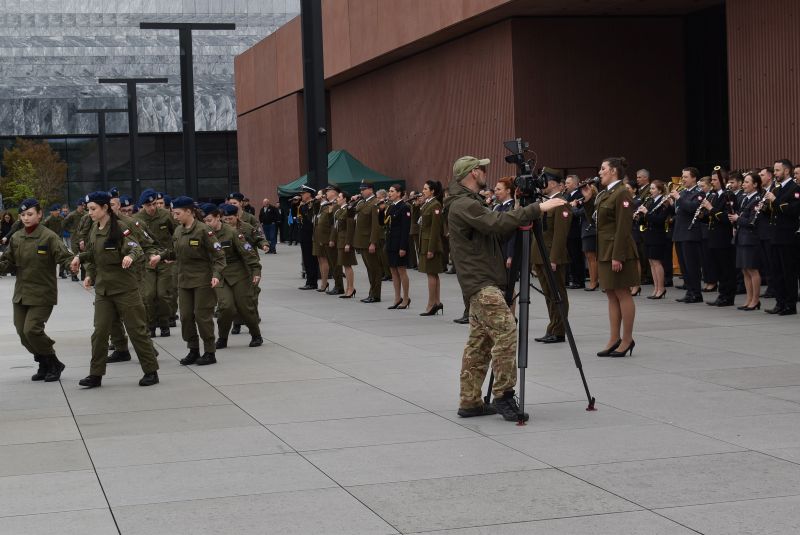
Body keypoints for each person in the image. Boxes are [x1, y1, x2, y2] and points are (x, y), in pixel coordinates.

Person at [447, 155, 566, 422]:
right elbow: (496, 224)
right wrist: (537, 208)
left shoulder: (467, 202)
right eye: (481, 169)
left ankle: (470, 401)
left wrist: (520, 212)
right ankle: (503, 395)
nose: (485, 173)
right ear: (472, 173)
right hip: (481, 280)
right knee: (507, 330)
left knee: (479, 342)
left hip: (480, 279)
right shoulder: (464, 204)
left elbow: (498, 231)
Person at [70, 191, 160, 388]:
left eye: (93, 209)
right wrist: (81, 261)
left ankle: (151, 371)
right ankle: (95, 374)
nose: (90, 213)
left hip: (125, 288)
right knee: (100, 332)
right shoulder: (95, 228)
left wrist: (130, 256)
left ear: (105, 208)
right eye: (88, 209)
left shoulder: (120, 227)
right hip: (104, 289)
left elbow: (136, 248)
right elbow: (93, 254)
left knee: (137, 330)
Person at [0, 198, 73, 382]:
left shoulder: (49, 237)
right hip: (22, 293)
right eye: (23, 215)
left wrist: (74, 265)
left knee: (32, 330)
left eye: (30, 214)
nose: (26, 218)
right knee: (22, 333)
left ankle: (53, 362)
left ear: (40, 214)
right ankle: (43, 363)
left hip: (42, 293)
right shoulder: (17, 237)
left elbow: (64, 256)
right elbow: (8, 262)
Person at [150, 196, 226, 365]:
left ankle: (209, 352)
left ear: (189, 211)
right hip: (184, 280)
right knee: (185, 317)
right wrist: (160, 256)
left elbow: (219, 256)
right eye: (173, 213)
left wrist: (216, 275)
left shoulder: (204, 230)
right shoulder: (178, 231)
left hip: (202, 280)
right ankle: (193, 349)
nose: (174, 216)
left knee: (202, 316)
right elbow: (174, 252)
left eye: (177, 213)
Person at [582, 157, 639, 357]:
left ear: (613, 171)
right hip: (605, 250)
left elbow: (624, 226)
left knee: (623, 293)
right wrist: (588, 201)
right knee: (611, 294)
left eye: (603, 168)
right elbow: (596, 222)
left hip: (617, 251)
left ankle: (627, 339)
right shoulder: (605, 193)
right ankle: (614, 338)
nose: (599, 172)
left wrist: (618, 256)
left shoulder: (622, 192)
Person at [201, 204, 263, 348]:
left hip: (238, 273)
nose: (207, 224)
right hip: (219, 275)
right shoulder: (204, 234)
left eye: (209, 220)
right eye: (205, 221)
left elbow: (247, 252)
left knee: (245, 306)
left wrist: (256, 270)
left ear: (218, 217)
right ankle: (222, 338)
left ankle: (256, 335)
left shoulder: (232, 232)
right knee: (226, 307)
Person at [532, 171, 571, 344]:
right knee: (549, 294)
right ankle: (553, 327)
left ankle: (559, 330)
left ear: (554, 183)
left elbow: (560, 235)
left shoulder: (561, 203)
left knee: (557, 294)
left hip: (551, 256)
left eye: (545, 181)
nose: (542, 184)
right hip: (541, 256)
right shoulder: (545, 202)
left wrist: (553, 258)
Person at [134, 188, 177, 336]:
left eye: (154, 204)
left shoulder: (165, 215)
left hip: (165, 260)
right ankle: (151, 324)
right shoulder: (136, 219)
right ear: (142, 206)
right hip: (147, 262)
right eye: (148, 205)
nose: (152, 208)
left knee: (163, 294)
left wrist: (172, 255)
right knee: (149, 295)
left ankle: (164, 323)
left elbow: (176, 235)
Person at [763, 159, 800, 315]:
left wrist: (774, 200)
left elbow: (793, 210)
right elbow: (773, 212)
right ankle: (780, 302)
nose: (775, 173)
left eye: (777, 170)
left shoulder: (795, 188)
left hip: (787, 237)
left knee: (788, 272)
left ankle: (790, 305)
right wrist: (764, 206)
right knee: (776, 272)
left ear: (786, 171)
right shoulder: (777, 189)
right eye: (775, 170)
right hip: (775, 235)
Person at [700, 168, 736, 306]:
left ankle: (728, 296)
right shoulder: (714, 195)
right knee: (719, 268)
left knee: (726, 268)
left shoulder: (728, 196)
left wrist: (710, 208)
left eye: (715, 180)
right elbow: (711, 216)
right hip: (714, 236)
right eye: (712, 180)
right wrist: (702, 215)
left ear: (723, 181)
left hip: (723, 237)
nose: (712, 182)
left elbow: (727, 217)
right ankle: (722, 294)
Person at [670, 167, 704, 303]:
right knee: (684, 266)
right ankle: (689, 291)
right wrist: (671, 203)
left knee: (692, 265)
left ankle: (696, 293)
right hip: (679, 232)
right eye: (682, 176)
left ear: (694, 178)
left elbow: (692, 208)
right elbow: (678, 211)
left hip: (690, 233)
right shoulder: (683, 192)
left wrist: (678, 198)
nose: (682, 179)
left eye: (685, 177)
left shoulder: (699, 193)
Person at [729, 171, 762, 310]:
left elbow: (752, 221)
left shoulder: (757, 199)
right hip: (741, 237)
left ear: (755, 184)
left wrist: (738, 219)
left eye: (747, 182)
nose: (744, 185)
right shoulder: (745, 198)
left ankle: (755, 300)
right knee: (745, 270)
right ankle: (749, 298)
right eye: (744, 182)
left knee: (752, 270)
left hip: (750, 238)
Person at [637, 181, 673, 299]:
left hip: (658, 235)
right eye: (651, 188)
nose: (650, 191)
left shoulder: (664, 202)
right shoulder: (650, 201)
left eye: (653, 189)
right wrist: (639, 217)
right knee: (651, 263)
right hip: (649, 234)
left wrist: (646, 213)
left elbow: (660, 219)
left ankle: (661, 288)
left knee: (657, 262)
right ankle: (656, 287)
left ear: (660, 190)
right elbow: (647, 219)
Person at [418, 180, 446, 316]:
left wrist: (431, 249)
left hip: (431, 245)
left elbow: (435, 229)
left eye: (425, 189)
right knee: (433, 273)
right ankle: (437, 302)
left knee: (431, 273)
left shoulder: (435, 205)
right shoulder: (427, 204)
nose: (423, 191)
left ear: (432, 191)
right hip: (425, 243)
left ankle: (431, 303)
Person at [383, 184, 412, 309]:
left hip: (399, 243)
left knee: (401, 271)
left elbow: (405, 229)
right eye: (389, 191)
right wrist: (381, 210)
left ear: (399, 193)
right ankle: (397, 297)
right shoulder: (390, 207)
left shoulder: (404, 207)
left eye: (392, 191)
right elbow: (383, 223)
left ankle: (406, 298)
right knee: (393, 271)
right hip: (391, 243)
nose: (389, 193)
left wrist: (403, 247)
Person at [353, 181, 382, 302]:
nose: (361, 191)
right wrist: (354, 200)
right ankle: (372, 293)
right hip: (362, 241)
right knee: (370, 269)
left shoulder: (375, 203)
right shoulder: (362, 202)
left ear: (370, 190)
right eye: (361, 189)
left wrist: (373, 242)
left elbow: (375, 226)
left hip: (369, 241)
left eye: (363, 189)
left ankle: (375, 295)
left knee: (374, 269)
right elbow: (351, 212)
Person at [314, 186, 344, 295]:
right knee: (332, 264)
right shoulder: (328, 204)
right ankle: (337, 285)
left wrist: (332, 238)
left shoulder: (336, 205)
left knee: (335, 264)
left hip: (331, 238)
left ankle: (339, 286)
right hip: (325, 239)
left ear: (334, 193)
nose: (326, 193)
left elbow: (333, 225)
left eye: (328, 191)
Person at [331, 191, 358, 298]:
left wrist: (348, 243)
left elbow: (350, 228)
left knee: (347, 265)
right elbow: (336, 226)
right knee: (344, 265)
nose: (337, 198)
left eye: (339, 197)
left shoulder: (349, 209)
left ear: (345, 199)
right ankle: (348, 288)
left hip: (345, 241)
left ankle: (351, 288)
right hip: (340, 240)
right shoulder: (339, 210)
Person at [296, 186, 320, 290]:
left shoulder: (313, 204)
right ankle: (309, 281)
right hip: (304, 235)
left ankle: (312, 282)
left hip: (310, 235)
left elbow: (309, 218)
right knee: (306, 259)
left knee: (311, 260)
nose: (301, 195)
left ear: (309, 194)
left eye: (303, 194)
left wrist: (304, 206)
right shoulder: (304, 205)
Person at [564, 175, 585, 289]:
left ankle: (579, 280)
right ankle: (572, 278)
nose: (566, 185)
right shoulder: (567, 195)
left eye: (568, 183)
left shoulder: (579, 195)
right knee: (571, 256)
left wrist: (572, 206)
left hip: (575, 229)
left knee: (576, 255)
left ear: (575, 184)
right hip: (568, 229)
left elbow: (578, 212)